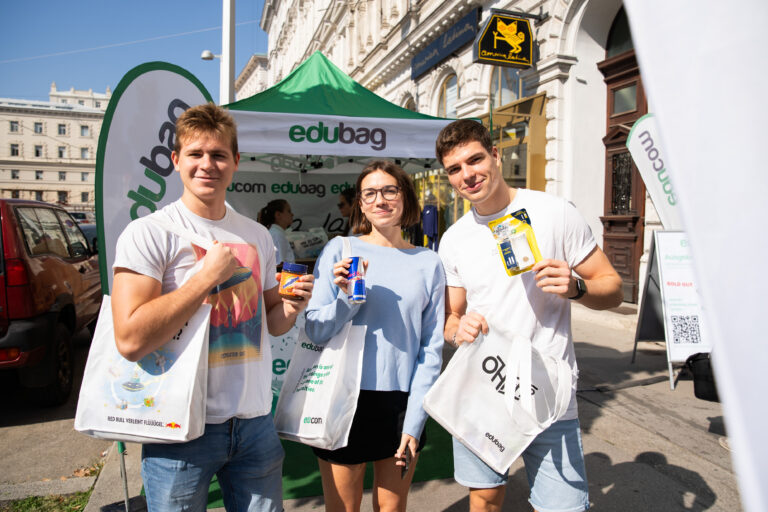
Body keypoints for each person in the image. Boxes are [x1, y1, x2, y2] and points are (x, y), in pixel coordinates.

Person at [110, 103, 314, 512]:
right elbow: (130, 339)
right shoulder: (150, 233)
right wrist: (205, 277)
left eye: (219, 155)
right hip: (179, 426)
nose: (208, 164)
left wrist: (291, 306)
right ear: (176, 161)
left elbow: (271, 323)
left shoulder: (257, 235)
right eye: (196, 154)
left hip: (254, 422)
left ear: (235, 162)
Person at [435, 119, 623, 512]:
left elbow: (612, 287)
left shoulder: (555, 213)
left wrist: (577, 287)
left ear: (496, 156)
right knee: (484, 499)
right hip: (482, 389)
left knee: (564, 508)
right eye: (455, 169)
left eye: (475, 160)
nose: (467, 175)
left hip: (548, 393)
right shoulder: (453, 239)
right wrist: (458, 328)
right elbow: (451, 317)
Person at [304, 160, 445, 512]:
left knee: (392, 509)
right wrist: (346, 299)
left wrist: (415, 419)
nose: (380, 199)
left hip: (401, 403)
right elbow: (316, 328)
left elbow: (431, 348)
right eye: (370, 193)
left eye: (389, 190)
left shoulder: (428, 262)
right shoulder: (341, 250)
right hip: (342, 397)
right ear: (361, 204)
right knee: (344, 509)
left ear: (405, 198)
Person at [259, 199, 296, 264]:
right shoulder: (277, 235)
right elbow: (278, 265)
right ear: (278, 215)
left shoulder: (276, 233)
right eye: (289, 211)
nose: (292, 214)